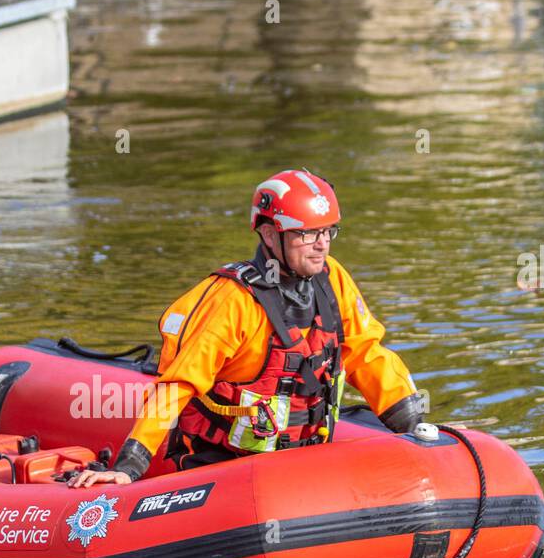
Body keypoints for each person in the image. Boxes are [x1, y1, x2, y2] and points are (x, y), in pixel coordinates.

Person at [69, 169, 423, 488]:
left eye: (328, 231)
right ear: (270, 234)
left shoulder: (332, 280)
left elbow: (365, 354)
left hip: (305, 460)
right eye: (307, 234)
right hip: (225, 469)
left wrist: (417, 426)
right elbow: (178, 385)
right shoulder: (233, 300)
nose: (322, 244)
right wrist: (130, 465)